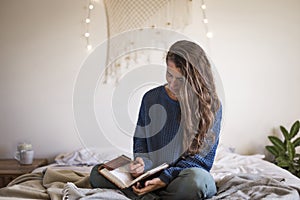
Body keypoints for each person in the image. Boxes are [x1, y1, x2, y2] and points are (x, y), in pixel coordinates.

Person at [90, 40, 222, 200]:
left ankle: (148, 196)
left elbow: (201, 161)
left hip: (181, 177)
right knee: (98, 173)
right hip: (151, 176)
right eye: (169, 74)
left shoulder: (211, 106)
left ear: (196, 78)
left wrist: (165, 178)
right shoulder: (150, 98)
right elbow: (141, 142)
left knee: (197, 181)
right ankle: (154, 194)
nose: (172, 83)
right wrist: (141, 163)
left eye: (180, 80)